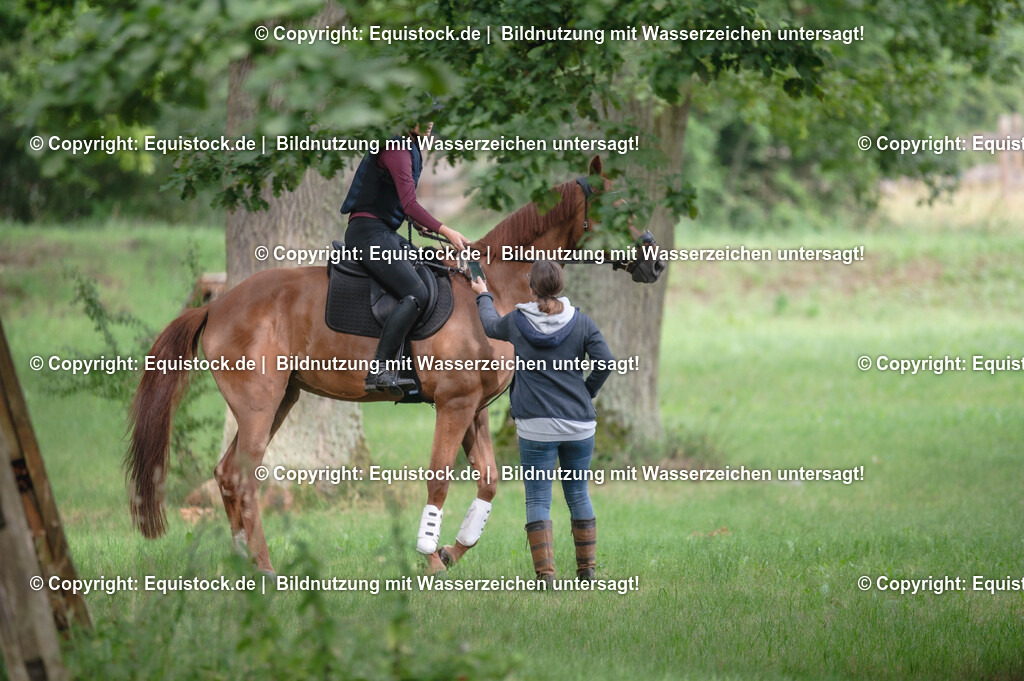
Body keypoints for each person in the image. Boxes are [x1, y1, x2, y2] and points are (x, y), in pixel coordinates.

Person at [470, 261, 613, 583]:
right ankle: (587, 571)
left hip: (535, 426)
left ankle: (546, 575)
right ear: (560, 286)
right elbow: (606, 362)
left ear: (531, 288)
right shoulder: (582, 322)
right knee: (578, 493)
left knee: (538, 497)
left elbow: (491, 326)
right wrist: (584, 393)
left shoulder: (518, 322)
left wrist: (483, 295)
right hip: (579, 425)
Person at [341, 121, 471, 394]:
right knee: (417, 293)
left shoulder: (409, 145)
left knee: (430, 266)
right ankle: (379, 369)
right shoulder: (397, 148)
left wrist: (420, 223)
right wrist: (445, 230)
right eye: (425, 115)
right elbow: (410, 204)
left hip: (382, 232)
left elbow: (402, 203)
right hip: (368, 234)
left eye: (434, 115)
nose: (431, 121)